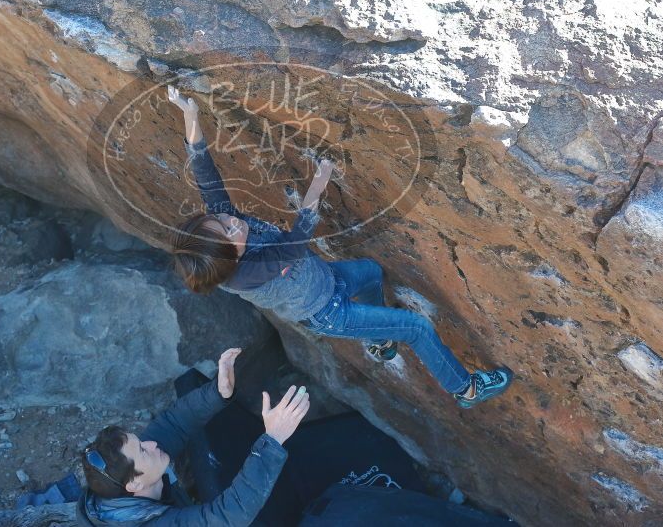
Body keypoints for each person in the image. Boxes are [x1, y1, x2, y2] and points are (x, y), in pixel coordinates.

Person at [166, 85, 513, 409]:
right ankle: (465, 389)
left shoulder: (225, 239)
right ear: (230, 257)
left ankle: (380, 341)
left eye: (224, 220)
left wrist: (189, 114)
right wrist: (320, 180)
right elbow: (295, 244)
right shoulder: (244, 275)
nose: (233, 220)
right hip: (328, 313)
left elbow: (207, 177)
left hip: (327, 279)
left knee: (372, 273)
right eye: (229, 230)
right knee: (416, 327)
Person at [77, 348, 311, 526]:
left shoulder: (124, 479)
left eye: (140, 441)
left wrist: (218, 392)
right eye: (142, 450)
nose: (150, 443)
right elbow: (228, 514)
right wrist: (272, 440)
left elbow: (174, 422)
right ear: (134, 484)